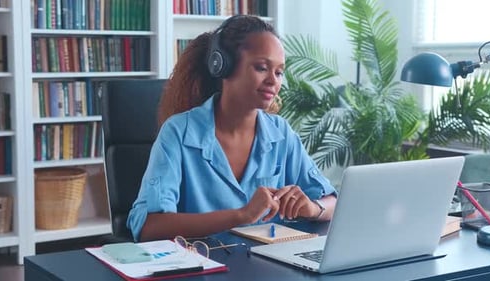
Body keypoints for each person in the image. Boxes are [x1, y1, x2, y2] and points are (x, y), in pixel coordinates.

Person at [127, 15, 337, 242]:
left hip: (269, 267)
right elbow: (148, 225)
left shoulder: (281, 132)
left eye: (278, 72)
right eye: (261, 68)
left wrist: (312, 207)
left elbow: (333, 202)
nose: (273, 81)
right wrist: (241, 215)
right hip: (204, 267)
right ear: (223, 66)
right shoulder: (179, 132)